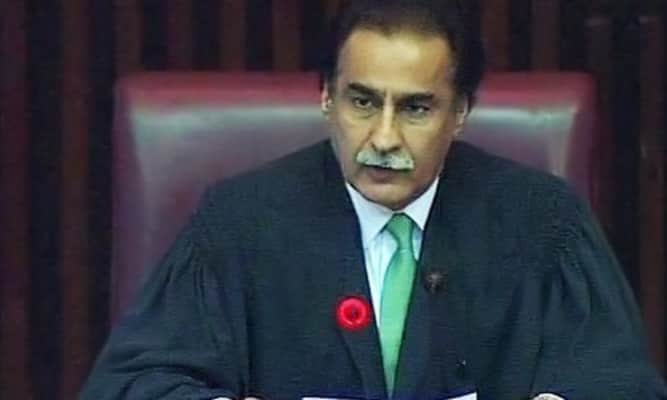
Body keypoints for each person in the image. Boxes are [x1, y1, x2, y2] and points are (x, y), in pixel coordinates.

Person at [80, 1, 667, 399]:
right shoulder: (240, 223)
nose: (384, 139)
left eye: (416, 108)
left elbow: (618, 384)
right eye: (362, 102)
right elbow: (132, 384)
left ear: (461, 113)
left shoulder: (543, 223)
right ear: (325, 98)